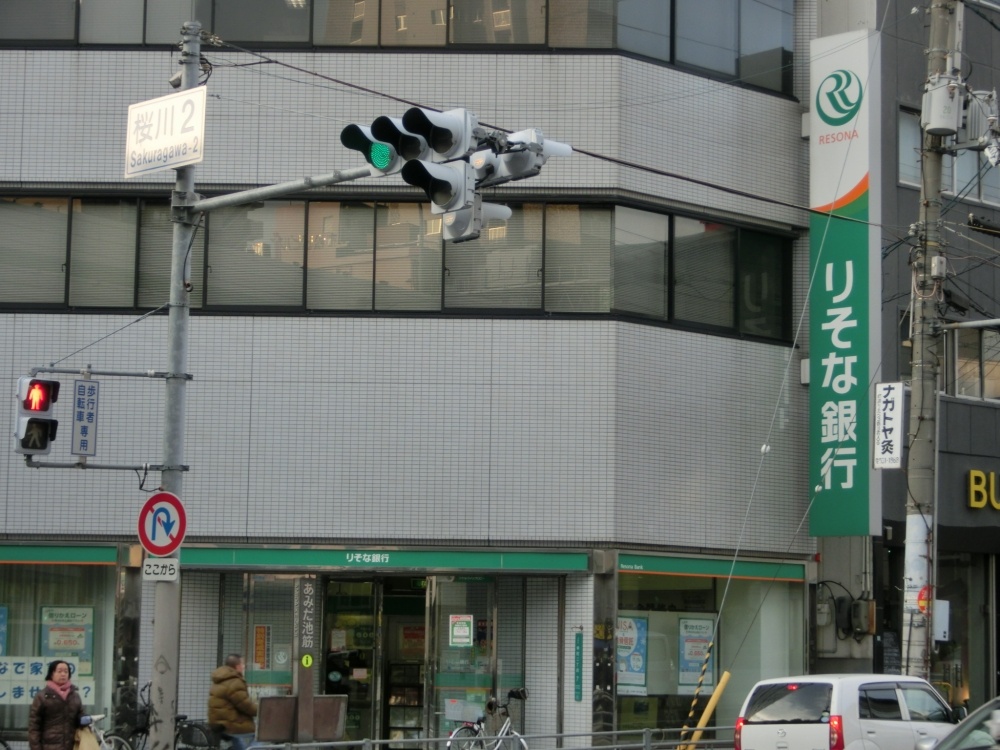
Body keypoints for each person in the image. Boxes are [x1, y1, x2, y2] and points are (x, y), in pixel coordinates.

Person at [28, 660, 88, 750]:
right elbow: (34, 727)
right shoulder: (42, 696)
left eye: (66, 671)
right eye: (59, 671)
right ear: (51, 674)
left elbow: (79, 715)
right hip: (48, 747)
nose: (63, 674)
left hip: (71, 746)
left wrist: (83, 718)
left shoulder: (75, 696)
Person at [208, 654, 257, 750]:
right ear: (237, 666)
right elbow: (245, 705)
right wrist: (261, 710)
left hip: (220, 725)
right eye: (242, 664)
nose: (244, 666)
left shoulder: (219, 679)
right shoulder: (234, 682)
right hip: (232, 726)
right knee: (262, 737)